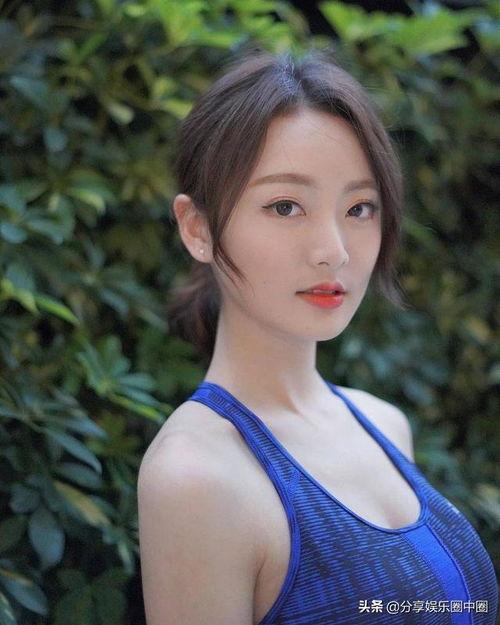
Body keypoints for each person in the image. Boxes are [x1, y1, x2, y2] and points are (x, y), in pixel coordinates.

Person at [137, 48, 498, 625]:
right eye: (286, 206)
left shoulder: (383, 423)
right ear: (198, 228)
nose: (334, 250)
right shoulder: (197, 476)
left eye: (360, 208)